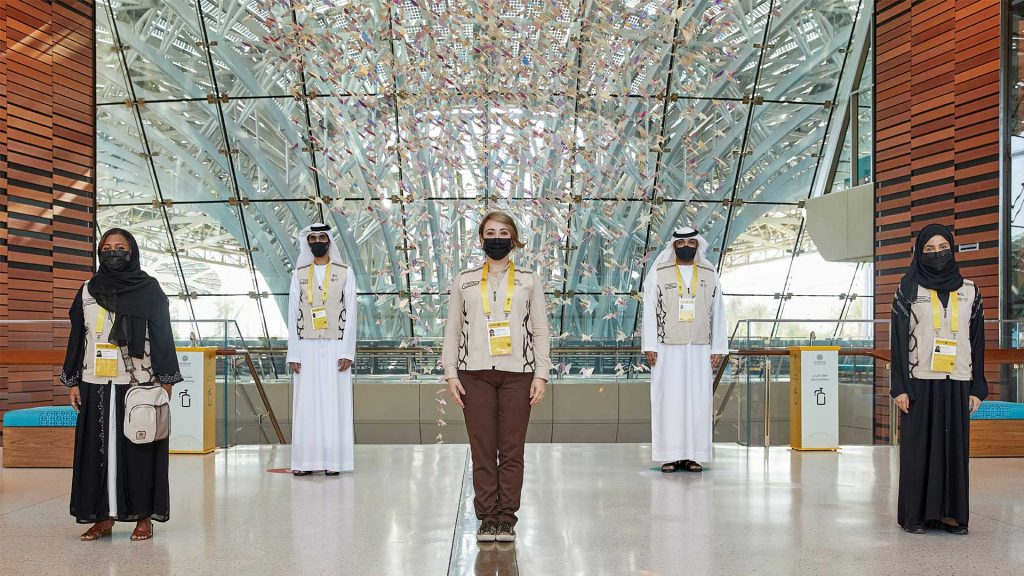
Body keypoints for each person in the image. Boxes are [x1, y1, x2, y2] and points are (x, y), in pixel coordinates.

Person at [61, 228, 182, 541]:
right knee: (96, 452)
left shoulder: (148, 289)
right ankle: (102, 517)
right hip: (94, 381)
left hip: (137, 382)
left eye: (120, 247)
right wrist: (72, 379)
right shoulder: (88, 289)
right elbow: (77, 338)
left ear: (132, 252)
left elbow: (162, 334)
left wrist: (166, 379)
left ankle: (143, 517)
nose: (112, 252)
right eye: (106, 247)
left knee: (139, 448)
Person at [442, 211, 551, 543]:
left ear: (514, 238)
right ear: (481, 239)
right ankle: (487, 517)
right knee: (483, 450)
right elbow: (452, 330)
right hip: (474, 375)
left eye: (503, 232)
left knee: (512, 449)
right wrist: (450, 374)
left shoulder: (529, 279)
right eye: (490, 232)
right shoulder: (465, 279)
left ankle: (507, 518)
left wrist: (541, 375)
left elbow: (541, 331)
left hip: (518, 375)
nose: (496, 238)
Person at [890, 223, 986, 535]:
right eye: (929, 249)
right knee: (919, 450)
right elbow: (898, 342)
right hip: (920, 379)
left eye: (942, 247)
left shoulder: (970, 290)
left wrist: (977, 386)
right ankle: (916, 516)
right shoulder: (907, 289)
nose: (937, 254)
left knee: (953, 451)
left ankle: (950, 515)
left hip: (958, 379)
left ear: (952, 249)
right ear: (919, 252)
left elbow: (978, 340)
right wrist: (899, 387)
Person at [642, 226, 727, 473]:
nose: (686, 247)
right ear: (674, 246)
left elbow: (718, 311)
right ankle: (669, 455)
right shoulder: (660, 272)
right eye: (681, 243)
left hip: (701, 348)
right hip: (666, 347)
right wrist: (649, 345)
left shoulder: (710, 273)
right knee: (668, 400)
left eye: (691, 242)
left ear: (698, 245)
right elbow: (649, 309)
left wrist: (718, 347)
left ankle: (694, 455)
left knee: (698, 401)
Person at [286, 223, 357, 476]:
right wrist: (293, 353)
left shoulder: (344, 272)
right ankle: (305, 463)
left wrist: (348, 351)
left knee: (334, 402)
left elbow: (352, 313)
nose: (317, 241)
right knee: (307, 404)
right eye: (312, 238)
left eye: (322, 237)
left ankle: (333, 462)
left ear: (329, 241)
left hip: (336, 344)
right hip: (306, 346)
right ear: (308, 242)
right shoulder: (299, 274)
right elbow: (292, 312)